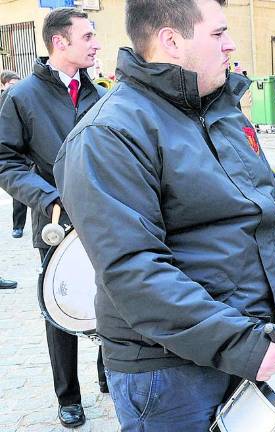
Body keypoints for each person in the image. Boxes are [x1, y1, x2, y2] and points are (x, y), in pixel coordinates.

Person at [53, 1, 275, 430]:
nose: (232, 45)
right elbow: (135, 271)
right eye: (219, 33)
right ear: (171, 40)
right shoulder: (107, 135)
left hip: (248, 341)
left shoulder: (223, 111)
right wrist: (243, 343)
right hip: (168, 371)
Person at [0, 8, 106, 428]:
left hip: (102, 221)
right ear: (59, 43)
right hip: (56, 223)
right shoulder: (22, 96)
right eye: (87, 36)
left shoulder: (100, 94)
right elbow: (5, 161)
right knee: (59, 308)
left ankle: (107, 375)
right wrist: (49, 199)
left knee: (109, 300)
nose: (96, 43)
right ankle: (69, 396)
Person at [1, 70, 28, 239]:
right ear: (3, 85)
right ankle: (18, 226)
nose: (14, 87)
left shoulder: (21, 99)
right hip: (10, 149)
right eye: (11, 84)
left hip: (26, 149)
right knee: (19, 192)